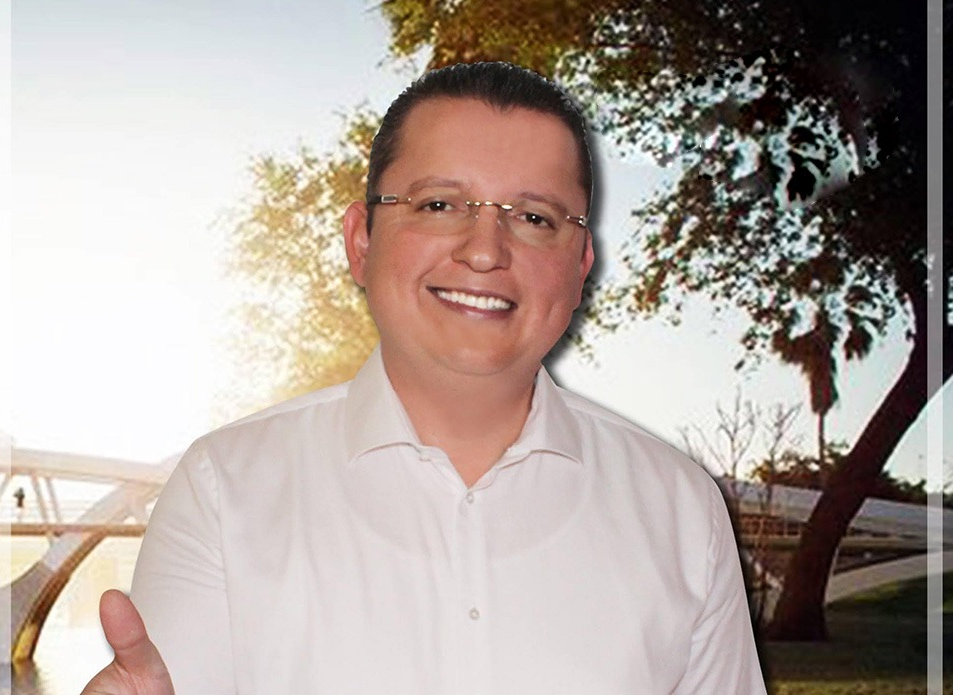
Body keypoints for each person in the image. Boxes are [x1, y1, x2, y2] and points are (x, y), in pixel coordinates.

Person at [82, 61, 766, 694]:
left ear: (581, 263)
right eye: (440, 205)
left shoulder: (682, 512)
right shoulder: (223, 489)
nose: (485, 251)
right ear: (361, 241)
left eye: (535, 218)